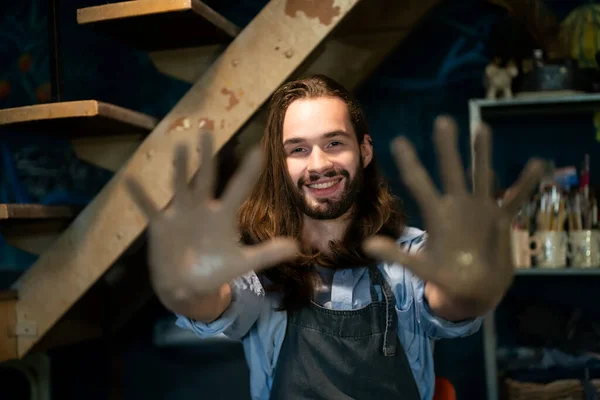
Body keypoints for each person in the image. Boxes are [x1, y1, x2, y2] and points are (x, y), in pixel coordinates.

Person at [126, 75, 544, 400]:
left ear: (363, 151)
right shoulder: (256, 267)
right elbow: (222, 301)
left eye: (334, 143)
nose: (319, 164)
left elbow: (445, 300)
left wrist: (468, 291)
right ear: (280, 163)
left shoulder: (411, 256)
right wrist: (186, 289)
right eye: (298, 149)